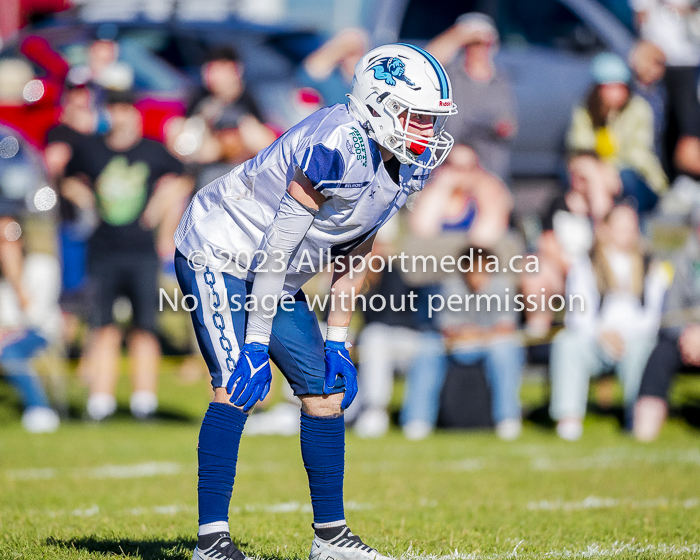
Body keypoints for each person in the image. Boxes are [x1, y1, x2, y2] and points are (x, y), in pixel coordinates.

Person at [173, 43, 457, 560]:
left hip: (274, 272)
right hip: (220, 249)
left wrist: (338, 340)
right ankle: (211, 542)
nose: (426, 132)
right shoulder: (337, 143)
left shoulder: (406, 164)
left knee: (325, 394)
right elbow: (277, 249)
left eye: (430, 120)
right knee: (236, 385)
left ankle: (330, 538)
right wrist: (256, 342)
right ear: (379, 105)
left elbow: (357, 249)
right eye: (416, 117)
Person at [63, 89, 187, 421]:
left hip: (142, 252)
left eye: (128, 109)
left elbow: (182, 178)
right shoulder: (91, 149)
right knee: (102, 326)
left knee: (145, 327)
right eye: (116, 109)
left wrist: (160, 210)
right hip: (103, 250)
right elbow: (65, 178)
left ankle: (143, 400)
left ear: (136, 114)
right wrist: (85, 200)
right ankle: (100, 400)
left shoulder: (152, 151)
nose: (122, 116)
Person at [549, 204, 669, 441]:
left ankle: (636, 419)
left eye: (630, 225)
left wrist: (625, 334)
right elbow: (578, 312)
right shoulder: (586, 264)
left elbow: (653, 316)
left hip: (635, 339)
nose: (625, 231)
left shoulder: (651, 265)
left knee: (646, 349)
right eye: (619, 225)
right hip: (595, 338)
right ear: (605, 228)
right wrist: (602, 333)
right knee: (566, 344)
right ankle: (569, 419)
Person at [400, 247, 524, 441]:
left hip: (490, 345)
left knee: (505, 349)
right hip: (456, 345)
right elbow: (446, 327)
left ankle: (507, 418)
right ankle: (418, 419)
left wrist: (478, 333)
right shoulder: (451, 284)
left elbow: (507, 326)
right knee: (427, 347)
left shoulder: (503, 285)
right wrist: (464, 333)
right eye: (473, 270)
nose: (478, 277)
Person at [567, 52, 668, 213]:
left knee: (595, 184)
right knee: (582, 189)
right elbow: (579, 148)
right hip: (598, 174)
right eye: (609, 87)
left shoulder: (638, 109)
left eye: (619, 87)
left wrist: (608, 169)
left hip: (640, 178)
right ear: (598, 89)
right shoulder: (585, 111)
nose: (615, 93)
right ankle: (604, 228)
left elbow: (638, 156)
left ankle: (603, 226)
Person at [427, 13, 517, 183]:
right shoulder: (449, 75)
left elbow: (509, 124)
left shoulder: (501, 80)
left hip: (488, 169)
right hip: (449, 165)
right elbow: (427, 60)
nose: (479, 49)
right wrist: (461, 34)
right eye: (473, 43)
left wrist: (502, 127)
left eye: (484, 43)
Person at [633, 212, 700, 441]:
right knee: (660, 356)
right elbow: (670, 314)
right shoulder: (681, 261)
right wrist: (688, 335)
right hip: (686, 339)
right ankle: (644, 435)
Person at [0, 213, 62, 433]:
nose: (6, 245)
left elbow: (35, 318)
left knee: (9, 353)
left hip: (39, 333)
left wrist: (16, 279)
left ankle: (39, 408)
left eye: (11, 236)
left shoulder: (43, 267)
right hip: (6, 335)